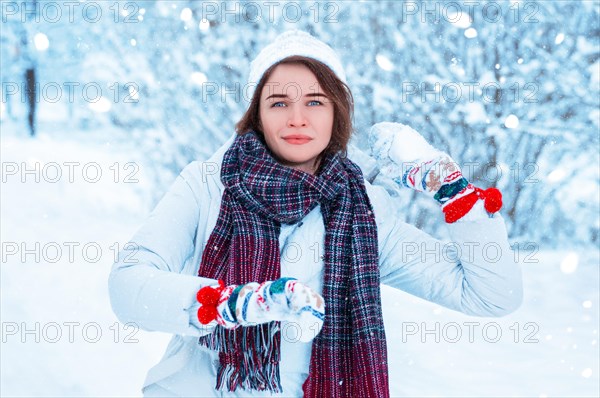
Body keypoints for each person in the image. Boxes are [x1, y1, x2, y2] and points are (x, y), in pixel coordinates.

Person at [108, 30, 523, 398]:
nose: (297, 119)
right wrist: (233, 304)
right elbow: (128, 285)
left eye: (315, 101)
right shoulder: (207, 186)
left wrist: (451, 188)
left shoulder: (365, 214)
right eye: (278, 102)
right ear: (257, 115)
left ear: (336, 111)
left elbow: (490, 296)